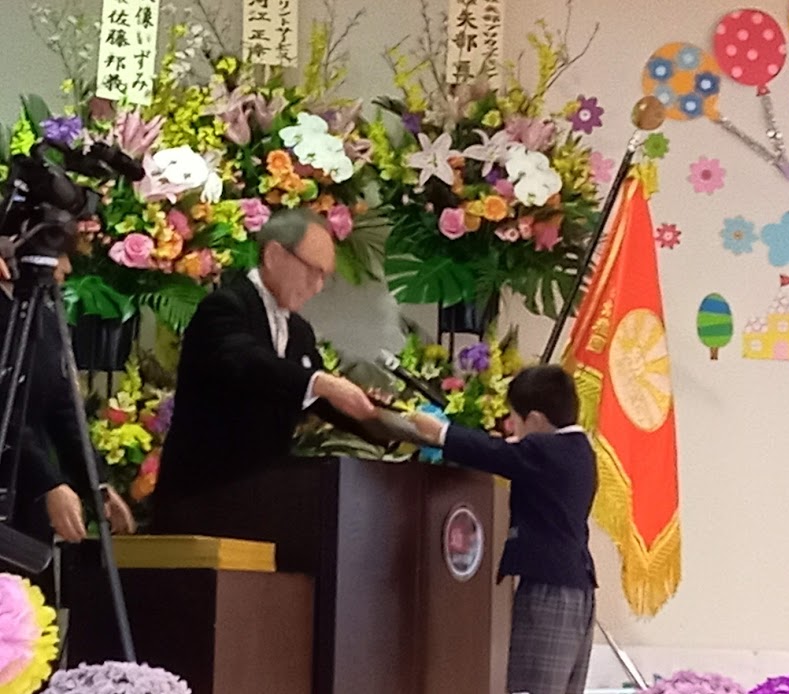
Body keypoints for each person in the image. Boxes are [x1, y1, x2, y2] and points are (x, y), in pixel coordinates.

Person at [154, 207, 378, 503]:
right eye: (313, 271)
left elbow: (320, 399)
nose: (317, 286)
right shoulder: (225, 306)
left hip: (263, 500)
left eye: (325, 277)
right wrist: (322, 382)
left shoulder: (299, 331)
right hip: (202, 497)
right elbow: (247, 361)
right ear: (274, 255)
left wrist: (392, 423)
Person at [411, 365, 597, 694]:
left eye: (514, 418)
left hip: (549, 590)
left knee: (531, 688)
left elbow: (496, 454)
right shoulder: (578, 450)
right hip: (576, 587)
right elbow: (513, 453)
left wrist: (441, 433)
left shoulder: (547, 452)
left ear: (535, 419)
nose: (512, 427)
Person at [0, 252, 136, 547]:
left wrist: (96, 485)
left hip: (25, 504)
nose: (67, 267)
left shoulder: (44, 318)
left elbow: (63, 409)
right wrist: (47, 482)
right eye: (60, 254)